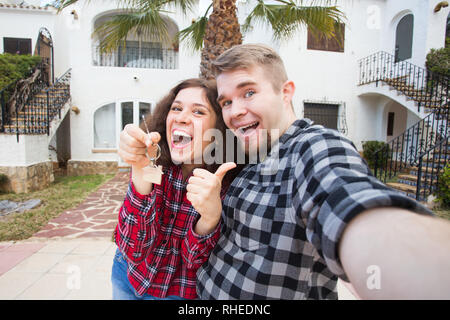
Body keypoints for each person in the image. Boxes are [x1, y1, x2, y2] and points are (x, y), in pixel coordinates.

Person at [195, 44, 450, 300]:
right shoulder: (251, 154)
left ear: (285, 92)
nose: (235, 111)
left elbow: (349, 205)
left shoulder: (314, 146)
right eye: (226, 102)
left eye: (249, 92)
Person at [111, 78, 241, 300]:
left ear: (219, 128)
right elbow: (133, 247)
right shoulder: (154, 162)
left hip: (180, 292)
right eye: (177, 108)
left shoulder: (227, 181)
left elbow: (193, 260)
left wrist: (209, 218)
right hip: (128, 277)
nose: (181, 117)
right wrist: (140, 176)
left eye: (198, 112)